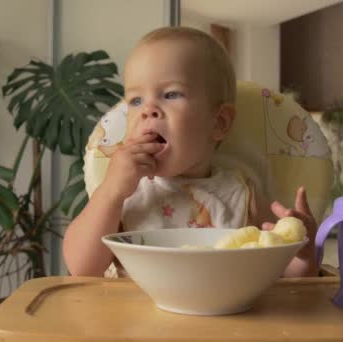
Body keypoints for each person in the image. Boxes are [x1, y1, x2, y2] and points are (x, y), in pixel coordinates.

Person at [63, 26, 318, 278]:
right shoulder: (124, 192)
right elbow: (82, 268)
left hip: (223, 316)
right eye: (136, 100)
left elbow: (286, 279)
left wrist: (301, 253)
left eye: (171, 94)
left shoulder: (241, 195)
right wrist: (110, 192)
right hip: (133, 317)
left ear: (218, 123)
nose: (148, 110)